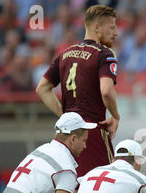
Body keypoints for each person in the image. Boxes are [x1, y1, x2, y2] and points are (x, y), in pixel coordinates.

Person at [36, 4, 120, 177]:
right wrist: (116, 116)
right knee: (105, 182)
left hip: (65, 135)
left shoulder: (65, 53)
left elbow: (42, 88)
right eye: (111, 27)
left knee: (71, 184)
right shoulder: (104, 54)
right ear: (97, 27)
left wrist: (65, 116)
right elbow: (106, 90)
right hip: (91, 131)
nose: (116, 32)